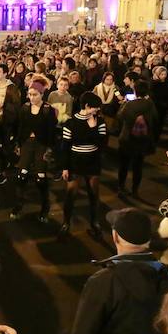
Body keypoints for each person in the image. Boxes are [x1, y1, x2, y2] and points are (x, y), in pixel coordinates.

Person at [60, 92, 107, 235]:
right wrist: (65, 167)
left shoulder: (99, 121)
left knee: (94, 194)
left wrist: (93, 128)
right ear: (86, 106)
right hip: (75, 161)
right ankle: (66, 222)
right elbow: (65, 147)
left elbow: (102, 144)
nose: (97, 110)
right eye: (95, 108)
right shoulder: (71, 122)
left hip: (92, 162)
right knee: (70, 195)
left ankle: (95, 222)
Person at [10, 81, 56, 222]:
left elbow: (51, 131)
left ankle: (45, 207)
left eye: (35, 94)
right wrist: (17, 143)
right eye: (29, 94)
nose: (31, 97)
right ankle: (18, 205)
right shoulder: (25, 108)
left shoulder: (48, 109)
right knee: (21, 175)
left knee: (40, 178)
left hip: (41, 144)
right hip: (27, 144)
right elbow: (20, 127)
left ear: (42, 94)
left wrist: (49, 149)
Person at [116, 80, 158, 197]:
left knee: (123, 165)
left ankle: (121, 187)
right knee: (138, 166)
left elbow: (119, 116)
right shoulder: (150, 104)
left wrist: (125, 103)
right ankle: (135, 190)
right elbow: (155, 118)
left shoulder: (129, 104)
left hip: (127, 138)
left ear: (135, 91)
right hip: (142, 139)